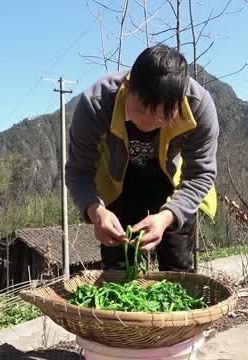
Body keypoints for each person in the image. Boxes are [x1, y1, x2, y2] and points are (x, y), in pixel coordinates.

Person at [65, 44, 219, 272]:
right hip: (117, 185)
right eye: (143, 111)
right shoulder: (97, 103)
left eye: (163, 117)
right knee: (118, 269)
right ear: (127, 87)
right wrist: (95, 211)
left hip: (173, 186)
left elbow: (201, 173)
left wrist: (167, 217)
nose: (150, 123)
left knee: (177, 270)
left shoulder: (197, 105)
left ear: (179, 102)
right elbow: (79, 171)